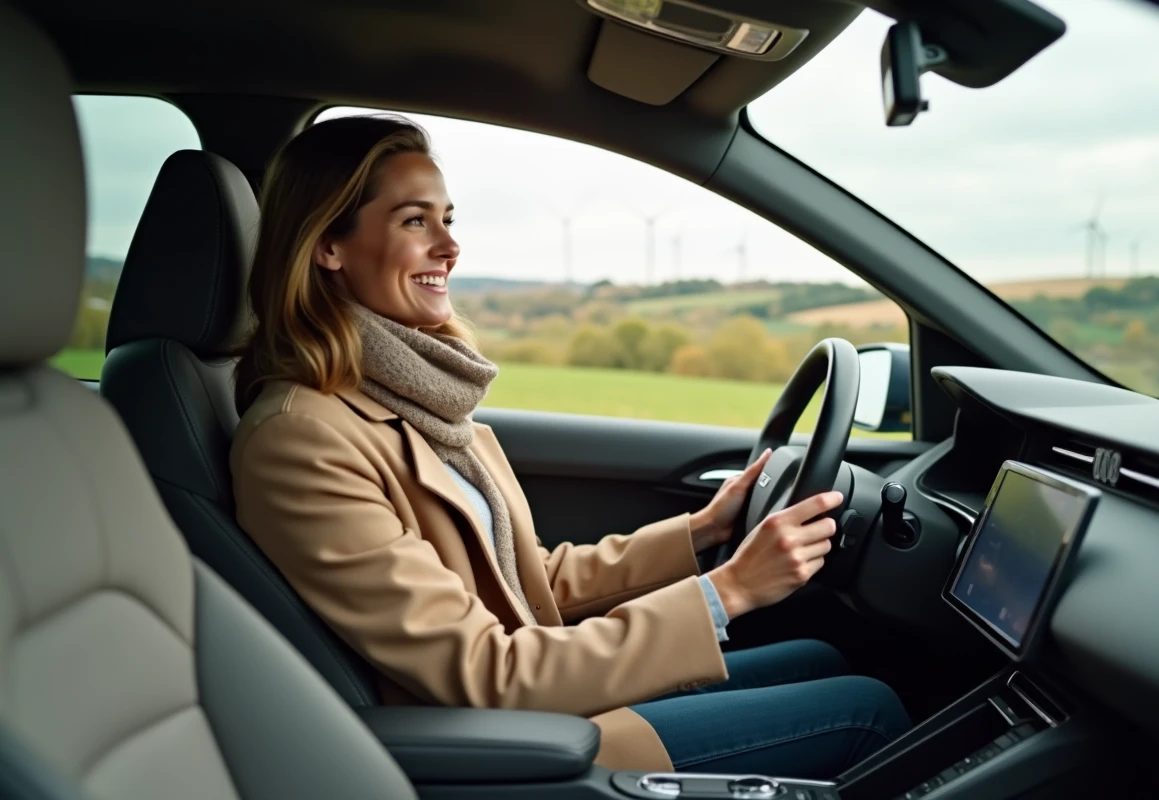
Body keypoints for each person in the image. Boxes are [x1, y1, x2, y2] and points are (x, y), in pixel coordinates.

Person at [230, 114, 911, 779]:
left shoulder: (407, 402)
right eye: (415, 221)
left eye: (449, 219)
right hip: (502, 742)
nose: (450, 246)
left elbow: (526, 581)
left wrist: (702, 532)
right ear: (329, 246)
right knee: (867, 711)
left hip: (536, 695)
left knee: (820, 657)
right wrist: (726, 590)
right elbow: (484, 671)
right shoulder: (302, 438)